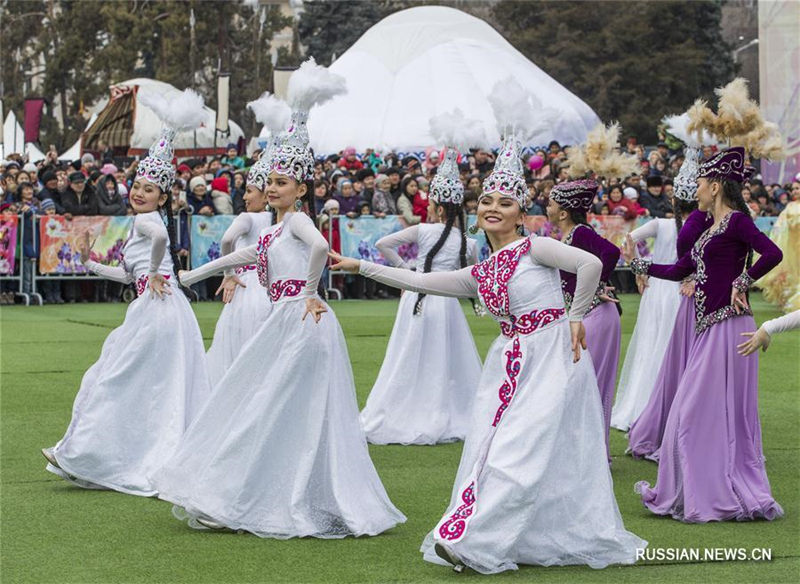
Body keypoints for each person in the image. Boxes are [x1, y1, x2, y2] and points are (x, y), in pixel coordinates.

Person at [332, 81, 644, 573]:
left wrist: (577, 317)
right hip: (510, 361)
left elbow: (588, 265)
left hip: (552, 356)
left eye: (504, 201)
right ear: (476, 215)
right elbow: (423, 280)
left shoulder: (535, 249)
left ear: (522, 212)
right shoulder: (480, 272)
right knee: (492, 449)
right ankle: (492, 536)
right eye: (486, 202)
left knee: (520, 452)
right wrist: (359, 266)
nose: (492, 207)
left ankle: (480, 542)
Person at [151, 59, 405, 538]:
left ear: (301, 188)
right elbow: (235, 256)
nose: (271, 188)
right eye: (269, 182)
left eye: (281, 183)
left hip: (302, 319)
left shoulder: (297, 221)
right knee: (271, 404)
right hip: (288, 319)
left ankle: (250, 496)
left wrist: (310, 291)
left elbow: (319, 248)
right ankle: (248, 491)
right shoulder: (273, 229)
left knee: (274, 403)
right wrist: (193, 276)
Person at [40, 89, 212, 496]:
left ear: (163, 197)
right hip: (159, 307)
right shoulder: (144, 221)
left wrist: (154, 270)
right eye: (138, 185)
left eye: (149, 189)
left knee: (115, 379)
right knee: (141, 384)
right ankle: (92, 453)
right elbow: (126, 275)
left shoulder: (146, 222)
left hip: (157, 310)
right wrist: (90, 263)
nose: (139, 193)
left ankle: (88, 454)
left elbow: (155, 242)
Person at [625, 146, 783, 522]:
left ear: (714, 186)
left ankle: (717, 492)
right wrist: (638, 263)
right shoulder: (708, 227)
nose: (695, 189)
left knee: (694, 411)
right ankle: (696, 490)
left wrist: (743, 281)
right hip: (709, 329)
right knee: (693, 412)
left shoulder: (738, 224)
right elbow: (683, 269)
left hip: (731, 327)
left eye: (699, 183)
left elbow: (772, 254)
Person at [360, 112, 483, 445]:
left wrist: (407, 272)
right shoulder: (469, 241)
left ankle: (407, 407)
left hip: (419, 295)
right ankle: (446, 409)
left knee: (409, 354)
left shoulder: (425, 230)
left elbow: (383, 244)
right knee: (445, 360)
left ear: (438, 208)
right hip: (447, 302)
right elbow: (475, 274)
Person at [612, 147, 704, 433]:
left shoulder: (661, 224)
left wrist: (638, 267)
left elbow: (627, 238)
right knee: (677, 350)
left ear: (674, 198)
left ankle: (647, 404)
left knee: (652, 347)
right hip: (682, 290)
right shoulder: (702, 225)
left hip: (660, 289)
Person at [546, 179, 621, 462]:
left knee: (590, 386)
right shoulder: (568, 237)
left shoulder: (580, 233)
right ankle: (583, 451)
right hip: (586, 316)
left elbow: (611, 253)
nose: (547, 207)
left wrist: (596, 284)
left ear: (563, 212)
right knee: (580, 385)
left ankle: (592, 456)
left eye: (551, 203)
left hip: (596, 317)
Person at [204, 153, 274, 389]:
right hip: (270, 286)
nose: (244, 197)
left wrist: (228, 274)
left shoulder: (248, 217)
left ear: (265, 195)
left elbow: (226, 240)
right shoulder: (278, 220)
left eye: (249, 191)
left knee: (234, 346)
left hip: (247, 286)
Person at [756, 180, 800, 312]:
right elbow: (779, 224)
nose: (795, 191)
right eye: (793, 189)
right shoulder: (790, 206)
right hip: (790, 246)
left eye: (797, 188)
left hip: (797, 245)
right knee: (789, 273)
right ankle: (787, 301)